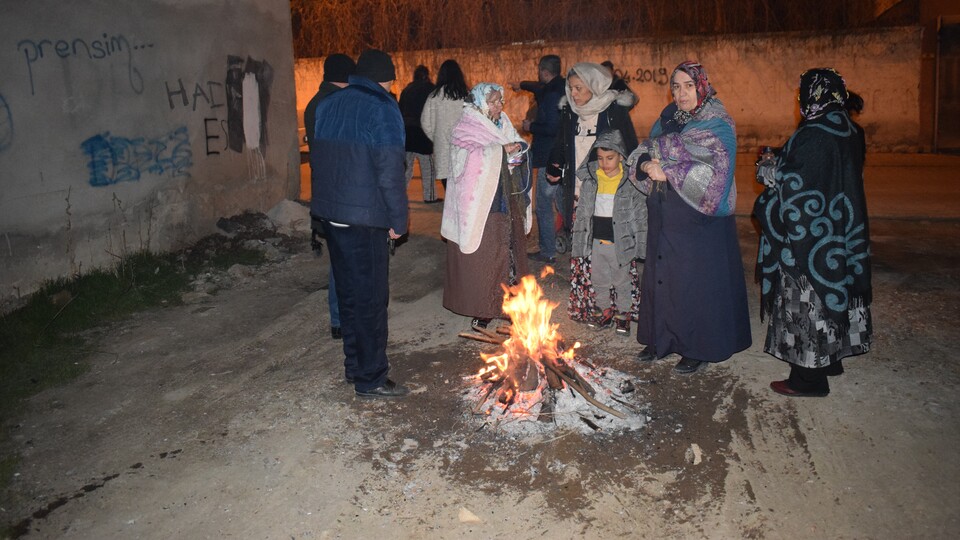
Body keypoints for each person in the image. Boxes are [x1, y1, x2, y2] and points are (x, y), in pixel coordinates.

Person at [753, 68, 872, 397]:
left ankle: (807, 379)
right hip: (840, 228)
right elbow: (820, 172)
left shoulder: (814, 133)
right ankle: (830, 360)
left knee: (806, 302)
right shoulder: (847, 128)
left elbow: (795, 185)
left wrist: (768, 168)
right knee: (833, 293)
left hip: (810, 237)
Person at [628, 60, 751, 374]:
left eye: (688, 86)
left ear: (702, 86)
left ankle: (696, 348)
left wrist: (666, 169)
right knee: (663, 276)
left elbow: (717, 170)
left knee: (693, 282)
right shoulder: (670, 119)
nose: (681, 93)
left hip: (699, 219)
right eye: (676, 87)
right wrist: (646, 165)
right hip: (665, 213)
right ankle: (661, 340)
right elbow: (643, 149)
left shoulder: (717, 122)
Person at [311, 49, 410, 398]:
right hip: (365, 218)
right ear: (387, 79)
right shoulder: (383, 108)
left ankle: (355, 367)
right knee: (370, 300)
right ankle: (371, 378)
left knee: (350, 297)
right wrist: (398, 219)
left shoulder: (327, 105)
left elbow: (320, 162)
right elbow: (390, 173)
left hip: (333, 215)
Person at [441, 83, 531, 329]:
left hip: (505, 197)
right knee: (485, 256)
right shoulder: (465, 125)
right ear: (480, 103)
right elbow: (465, 156)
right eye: (494, 102)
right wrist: (500, 151)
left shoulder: (502, 122)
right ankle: (484, 307)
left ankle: (511, 305)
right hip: (481, 202)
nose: (500, 106)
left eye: (500, 101)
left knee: (508, 252)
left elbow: (516, 142)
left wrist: (518, 149)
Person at [569, 129, 647, 335]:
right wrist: (580, 240)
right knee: (599, 280)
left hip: (620, 244)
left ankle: (623, 315)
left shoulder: (629, 182)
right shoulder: (592, 180)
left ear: (621, 156)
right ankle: (604, 311)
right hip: (596, 242)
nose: (605, 163)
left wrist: (641, 243)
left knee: (622, 281)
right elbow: (583, 212)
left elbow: (640, 214)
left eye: (610, 158)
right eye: (601, 158)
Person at [305, 53, 355, 341]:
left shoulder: (315, 102)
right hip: (339, 192)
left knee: (340, 257)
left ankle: (339, 318)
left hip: (326, 190)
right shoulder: (334, 104)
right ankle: (341, 318)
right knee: (344, 259)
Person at [509, 55, 565, 264]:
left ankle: (548, 251)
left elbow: (551, 127)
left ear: (543, 71)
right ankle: (572, 242)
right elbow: (537, 88)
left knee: (543, 205)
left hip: (548, 158)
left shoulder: (550, 95)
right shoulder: (561, 86)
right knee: (562, 202)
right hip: (558, 155)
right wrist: (521, 85)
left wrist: (530, 127)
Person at [421, 59, 470, 192]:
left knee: (448, 185)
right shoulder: (467, 96)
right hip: (465, 146)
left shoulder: (434, 96)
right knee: (464, 182)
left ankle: (451, 210)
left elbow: (426, 122)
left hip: (442, 146)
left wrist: (437, 136)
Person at [399, 65, 439, 203]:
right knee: (428, 168)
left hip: (408, 133)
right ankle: (430, 197)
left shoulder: (407, 90)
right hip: (423, 134)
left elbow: (400, 110)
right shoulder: (431, 89)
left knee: (406, 168)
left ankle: (400, 196)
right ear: (426, 75)